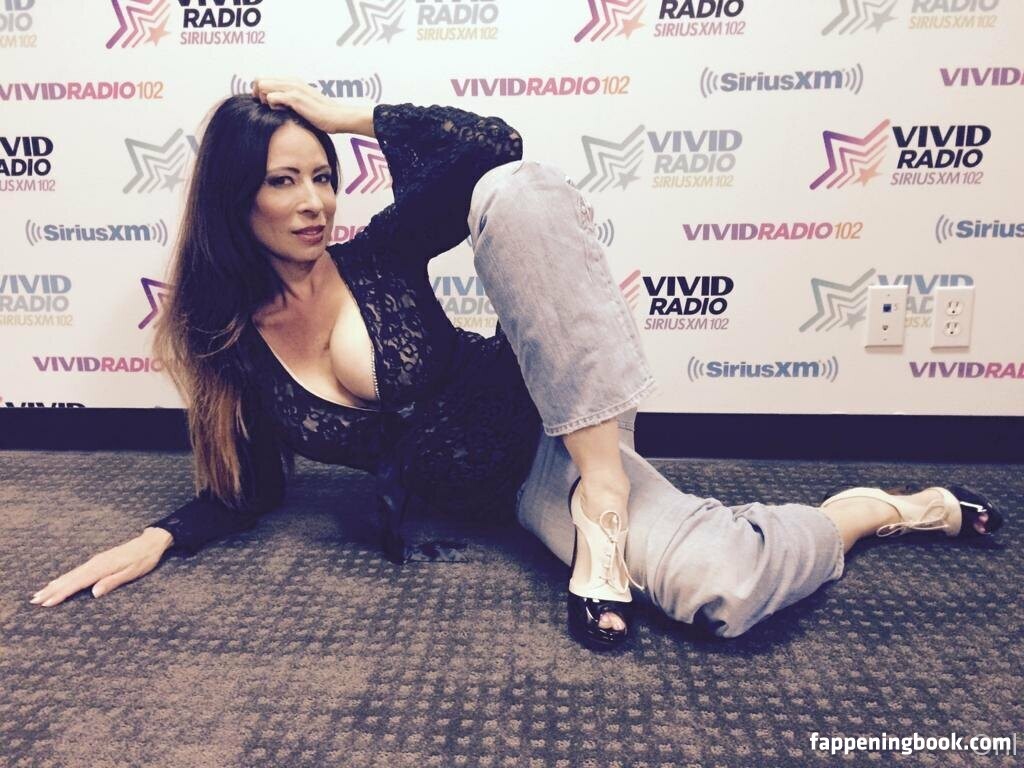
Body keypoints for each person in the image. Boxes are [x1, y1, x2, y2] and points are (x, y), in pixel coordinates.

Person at [28, 81, 1004, 651]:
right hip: (508, 492)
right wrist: (160, 538)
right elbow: (250, 484)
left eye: (323, 174)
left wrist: (345, 113)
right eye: (284, 180)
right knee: (725, 587)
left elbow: (491, 145)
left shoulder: (377, 255)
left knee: (515, 190)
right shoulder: (229, 343)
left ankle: (619, 504)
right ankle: (882, 506)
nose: (315, 200)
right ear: (234, 198)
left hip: (559, 418)